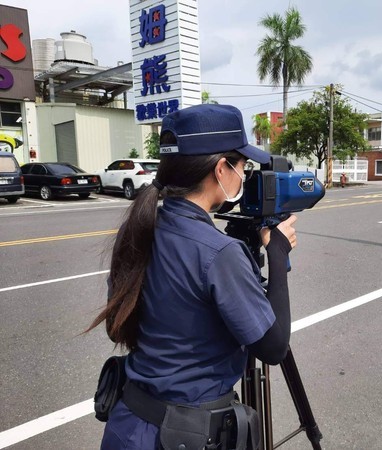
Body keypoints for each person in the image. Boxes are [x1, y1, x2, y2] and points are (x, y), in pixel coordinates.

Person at [87, 104, 297, 449]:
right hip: (185, 436)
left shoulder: (140, 227)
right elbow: (273, 347)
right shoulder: (217, 252)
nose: (246, 176)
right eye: (244, 166)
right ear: (221, 169)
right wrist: (277, 253)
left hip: (128, 424)